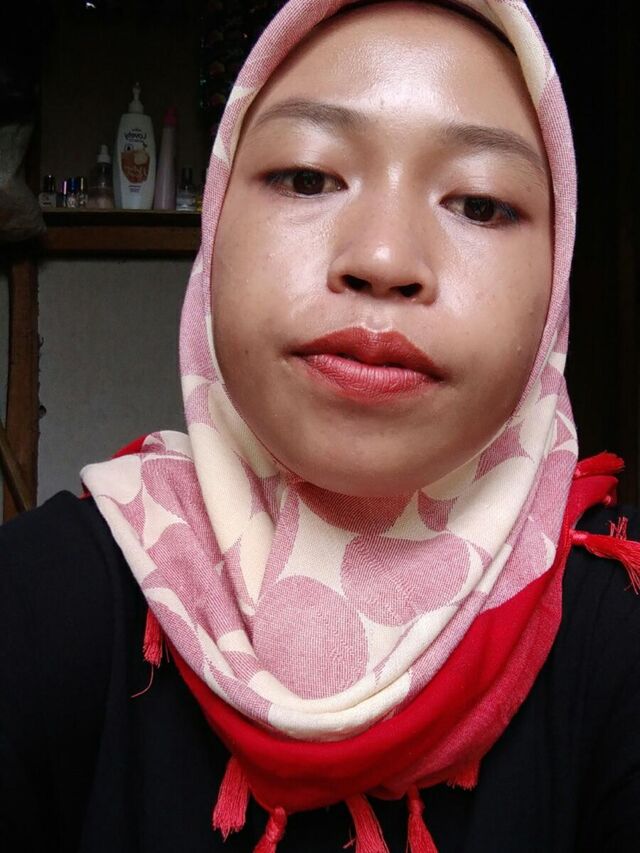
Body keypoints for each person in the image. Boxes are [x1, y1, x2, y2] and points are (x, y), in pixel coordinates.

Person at [2, 1, 639, 851]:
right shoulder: (40, 601)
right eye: (308, 178)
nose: (383, 259)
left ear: (556, 281)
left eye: (480, 203)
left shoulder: (616, 628)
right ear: (216, 226)